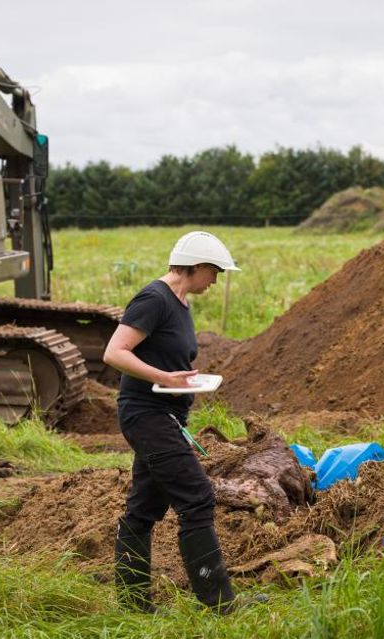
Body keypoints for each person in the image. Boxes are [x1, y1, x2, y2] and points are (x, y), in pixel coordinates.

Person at [103, 230, 242, 613]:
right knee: (197, 498)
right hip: (146, 415)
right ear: (195, 267)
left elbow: (168, 360)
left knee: (143, 509)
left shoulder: (180, 303)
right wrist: (164, 378)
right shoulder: (154, 299)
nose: (216, 279)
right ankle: (220, 603)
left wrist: (183, 378)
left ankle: (132, 606)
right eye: (214, 271)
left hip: (165, 415)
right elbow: (114, 352)